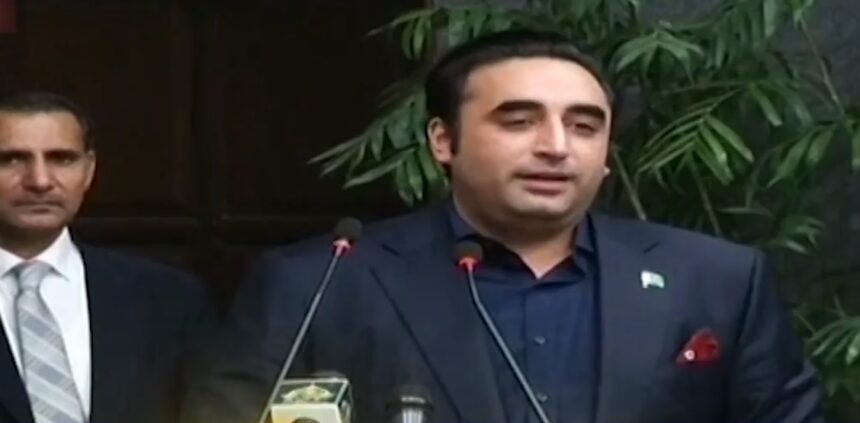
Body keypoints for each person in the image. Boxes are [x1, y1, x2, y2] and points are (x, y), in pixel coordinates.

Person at [186, 31, 823, 423]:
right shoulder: (321, 282)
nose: (556, 147)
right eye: (519, 121)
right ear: (443, 140)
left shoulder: (715, 280)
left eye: (584, 126)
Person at [0, 92, 214, 423]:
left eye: (62, 159)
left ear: (89, 170)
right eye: (12, 160)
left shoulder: (169, 299)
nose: (40, 181)